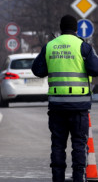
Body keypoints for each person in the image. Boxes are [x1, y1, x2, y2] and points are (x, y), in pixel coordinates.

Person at [32, 14, 98, 181]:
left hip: (57, 107)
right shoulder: (83, 47)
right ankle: (78, 178)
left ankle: (58, 178)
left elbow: (37, 70)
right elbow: (96, 70)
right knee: (78, 145)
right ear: (76, 29)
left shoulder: (50, 46)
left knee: (58, 146)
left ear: (61, 29)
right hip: (79, 108)